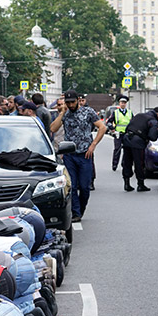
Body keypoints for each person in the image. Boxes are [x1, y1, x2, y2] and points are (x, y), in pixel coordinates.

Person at [50, 90, 106, 222]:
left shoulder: (88, 112)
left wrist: (93, 145)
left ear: (78, 100)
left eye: (72, 102)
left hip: (85, 154)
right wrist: (62, 113)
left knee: (85, 187)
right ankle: (76, 213)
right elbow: (53, 128)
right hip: (69, 154)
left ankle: (80, 208)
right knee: (72, 186)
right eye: (67, 103)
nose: (70, 105)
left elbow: (102, 128)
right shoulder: (65, 113)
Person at [121, 106, 158, 192]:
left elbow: (128, 127)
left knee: (127, 162)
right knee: (139, 163)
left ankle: (126, 183)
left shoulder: (138, 115)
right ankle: (140, 184)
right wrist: (157, 132)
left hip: (127, 139)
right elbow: (153, 137)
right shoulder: (153, 121)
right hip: (138, 142)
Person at [106, 96, 131, 171]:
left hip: (127, 134)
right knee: (117, 149)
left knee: (127, 149)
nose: (123, 104)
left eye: (124, 103)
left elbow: (133, 122)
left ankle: (124, 163)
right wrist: (112, 129)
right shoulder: (116, 112)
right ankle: (114, 164)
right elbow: (109, 122)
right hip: (118, 134)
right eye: (122, 103)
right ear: (119, 103)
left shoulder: (130, 112)